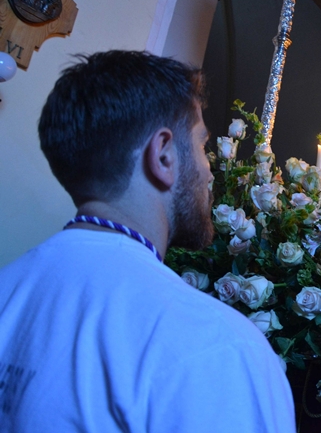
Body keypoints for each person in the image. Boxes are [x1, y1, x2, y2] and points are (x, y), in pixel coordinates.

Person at [0, 51, 295, 432]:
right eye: (203, 146)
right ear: (164, 155)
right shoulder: (216, 346)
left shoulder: (7, 288)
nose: (210, 172)